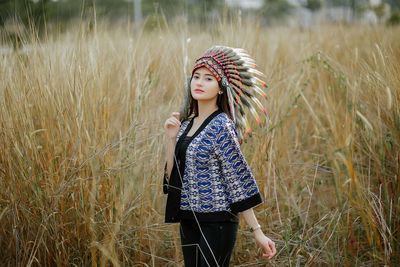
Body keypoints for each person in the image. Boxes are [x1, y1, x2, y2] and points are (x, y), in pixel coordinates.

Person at [163, 46, 276, 267]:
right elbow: (172, 178)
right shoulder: (185, 124)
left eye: (208, 79)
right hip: (189, 219)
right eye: (196, 77)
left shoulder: (222, 126)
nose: (199, 83)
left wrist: (257, 232)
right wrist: (171, 140)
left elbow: (238, 179)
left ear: (221, 88)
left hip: (218, 222)